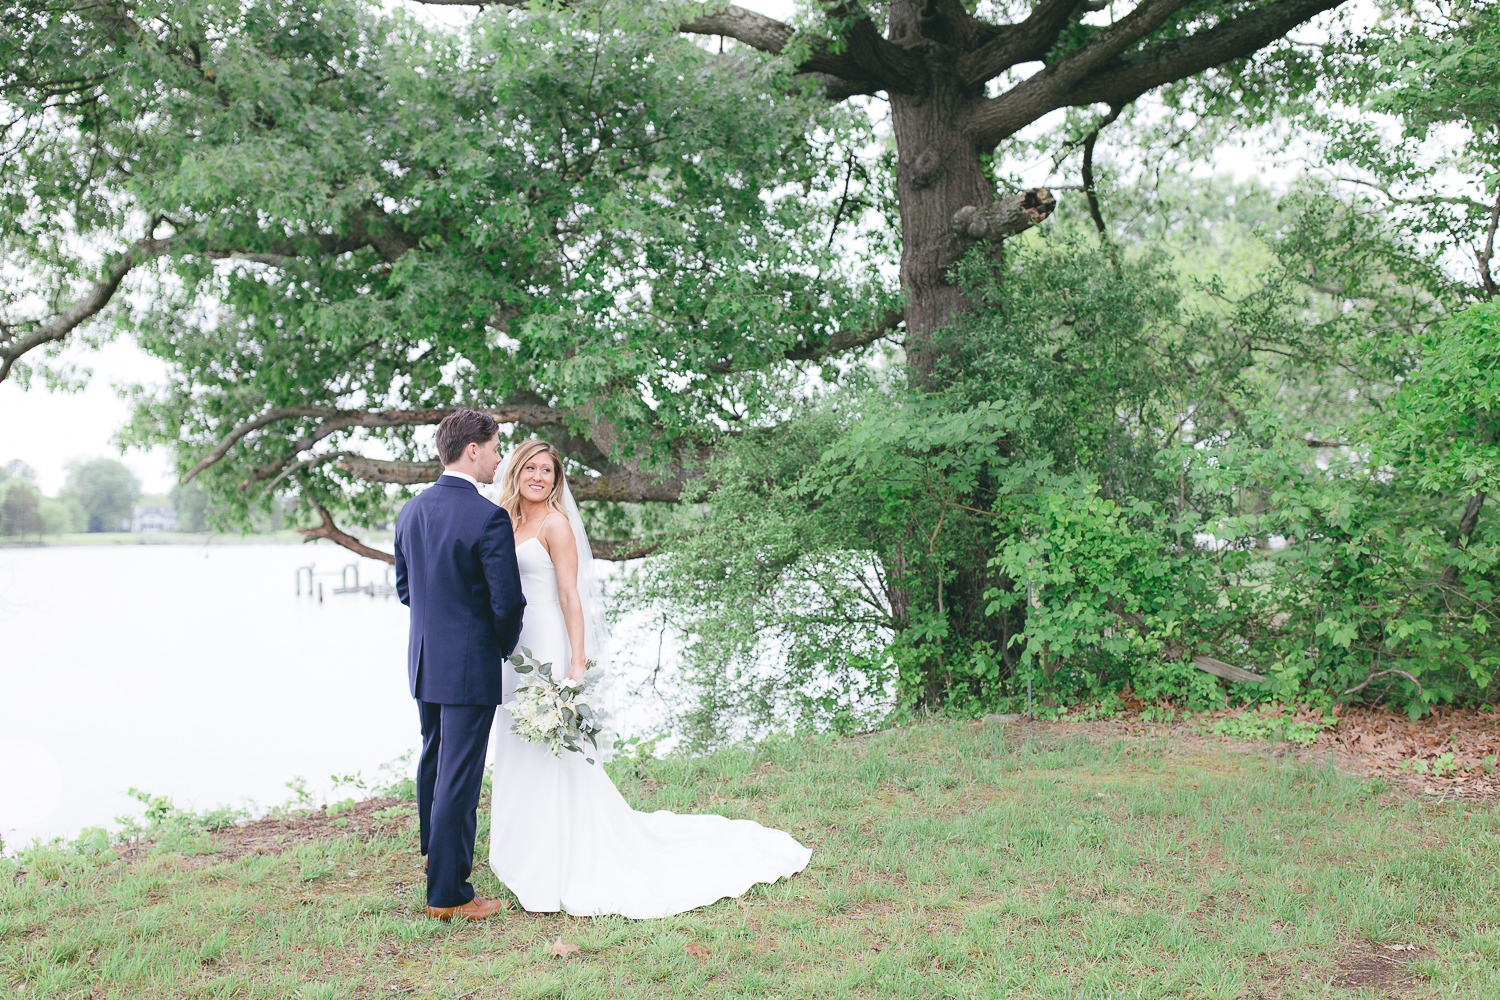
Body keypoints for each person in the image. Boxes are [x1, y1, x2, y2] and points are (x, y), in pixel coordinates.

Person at [485, 439, 811, 918]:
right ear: (515, 470)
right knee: (518, 745)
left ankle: (560, 858)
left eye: (548, 471)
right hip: (514, 649)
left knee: (555, 749)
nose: (539, 477)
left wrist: (576, 663)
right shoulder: (505, 520)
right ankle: (522, 851)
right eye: (531, 468)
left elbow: (571, 598)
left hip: (549, 645)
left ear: (557, 480)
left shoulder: (556, 524)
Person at [394, 410, 525, 921]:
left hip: (425, 660)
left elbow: (406, 590)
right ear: (473, 449)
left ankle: (436, 860)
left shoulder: (411, 511)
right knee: (459, 777)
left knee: (434, 760)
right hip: (469, 663)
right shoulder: (487, 516)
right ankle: (449, 894)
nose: (498, 457)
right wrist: (497, 645)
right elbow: (507, 603)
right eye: (494, 448)